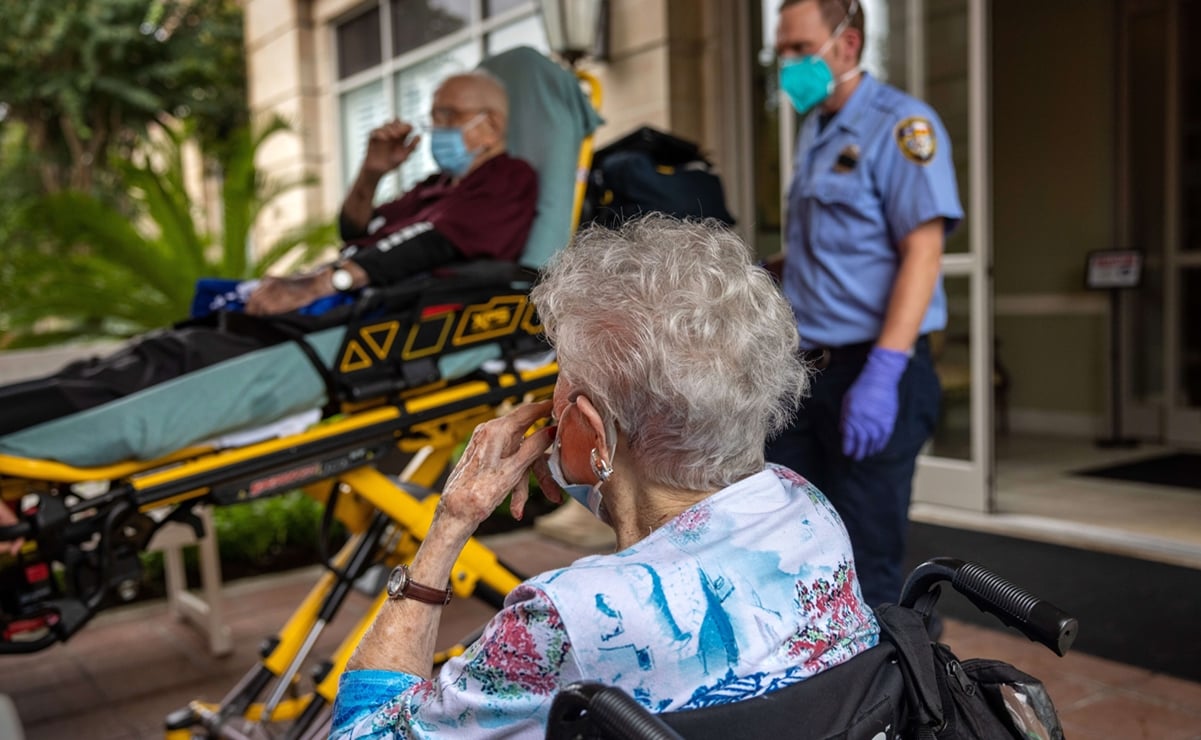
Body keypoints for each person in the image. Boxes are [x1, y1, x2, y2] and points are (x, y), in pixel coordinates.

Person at [331, 216, 879, 738]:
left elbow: (366, 732)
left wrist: (451, 521)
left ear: (593, 431)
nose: (546, 405)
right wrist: (605, 479)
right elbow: (666, 516)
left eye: (559, 382)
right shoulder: (805, 510)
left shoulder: (566, 619)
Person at [0, 71, 538, 436]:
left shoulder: (508, 179)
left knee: (164, 369)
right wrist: (372, 171)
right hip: (335, 318)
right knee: (146, 354)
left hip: (367, 327)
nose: (435, 128)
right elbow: (359, 231)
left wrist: (322, 283)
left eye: (448, 115)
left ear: (488, 124)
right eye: (435, 115)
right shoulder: (436, 185)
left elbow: (430, 243)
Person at [766, 0, 964, 609]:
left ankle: (912, 700)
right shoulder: (817, 130)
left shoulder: (902, 127)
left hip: (877, 368)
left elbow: (922, 253)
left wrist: (882, 372)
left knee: (870, 564)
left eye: (800, 49)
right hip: (806, 371)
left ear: (846, 46)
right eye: (783, 51)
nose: (788, 64)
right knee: (794, 543)